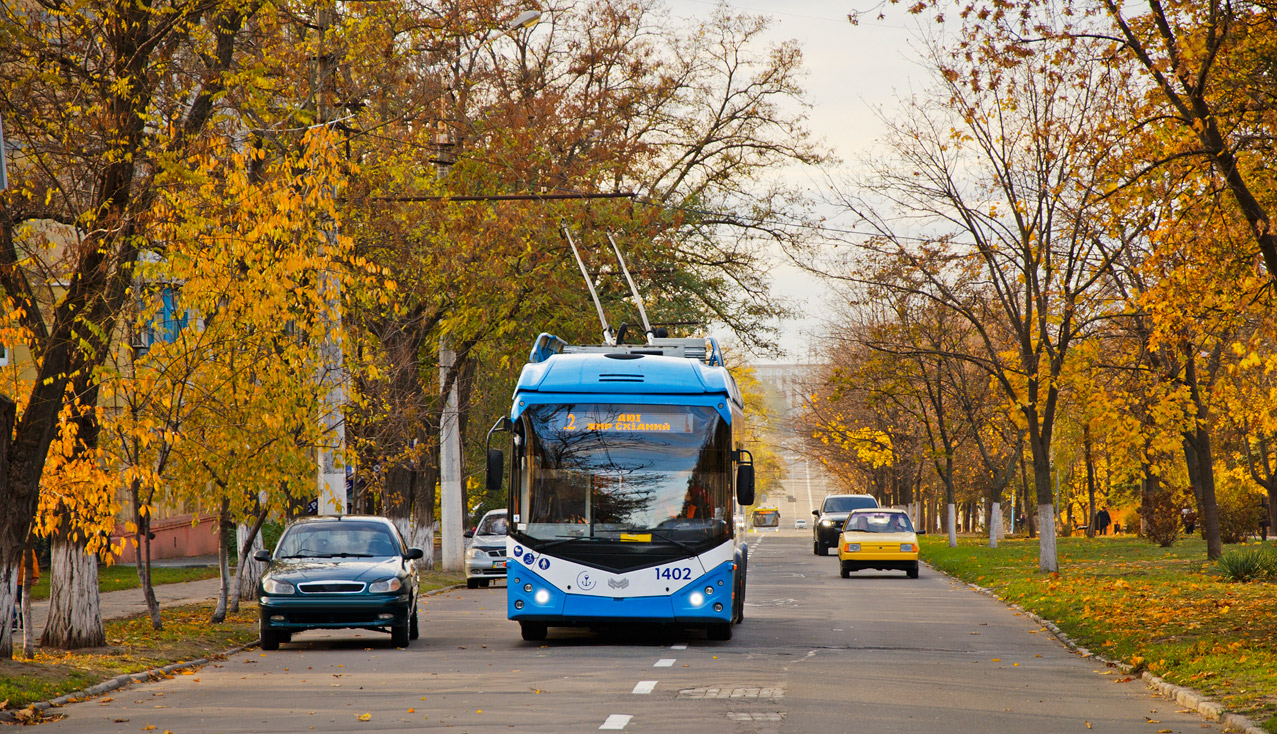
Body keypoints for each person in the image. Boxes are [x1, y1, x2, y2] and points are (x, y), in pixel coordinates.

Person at [12, 546, 38, 631]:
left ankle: (24, 619)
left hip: (21, 579)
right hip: (8, 578)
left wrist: (35, 575)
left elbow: (33, 560)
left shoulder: (26, 544)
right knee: (8, 600)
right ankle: (12, 619)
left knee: (21, 599)